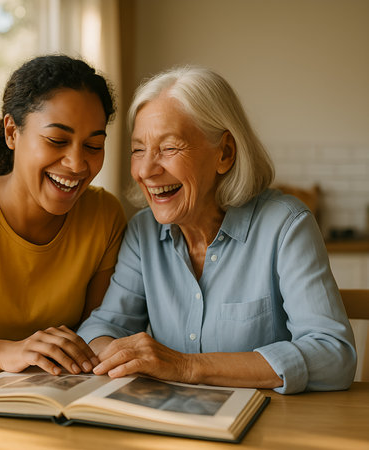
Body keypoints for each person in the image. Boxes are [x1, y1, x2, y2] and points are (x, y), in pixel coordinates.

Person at [77, 66, 356, 394]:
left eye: (169, 148)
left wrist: (184, 366)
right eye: (138, 149)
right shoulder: (143, 233)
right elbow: (103, 326)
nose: (146, 170)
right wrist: (114, 352)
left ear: (224, 153)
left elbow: (333, 355)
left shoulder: (286, 225)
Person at [0, 55, 126, 376]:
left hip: (53, 396)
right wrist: (7, 352)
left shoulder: (104, 214)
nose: (76, 163)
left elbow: (96, 331)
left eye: (93, 145)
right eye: (57, 140)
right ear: (12, 132)